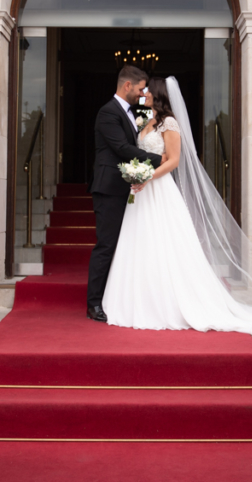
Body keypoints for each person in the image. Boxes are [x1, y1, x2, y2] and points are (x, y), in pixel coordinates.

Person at [101, 76, 252, 339]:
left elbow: (174, 161)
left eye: (147, 91)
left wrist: (148, 177)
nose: (143, 94)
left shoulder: (169, 123)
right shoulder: (146, 121)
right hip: (142, 194)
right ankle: (140, 301)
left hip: (159, 190)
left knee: (166, 244)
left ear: (157, 94)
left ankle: (171, 303)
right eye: (142, 90)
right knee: (141, 244)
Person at [86, 65, 163, 322]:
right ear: (127, 86)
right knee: (107, 245)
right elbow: (121, 148)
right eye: (141, 88)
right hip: (109, 189)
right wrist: (159, 159)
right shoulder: (108, 112)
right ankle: (94, 303)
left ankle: (117, 298)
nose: (144, 92)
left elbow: (144, 135)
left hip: (130, 187)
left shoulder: (135, 111)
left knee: (127, 245)